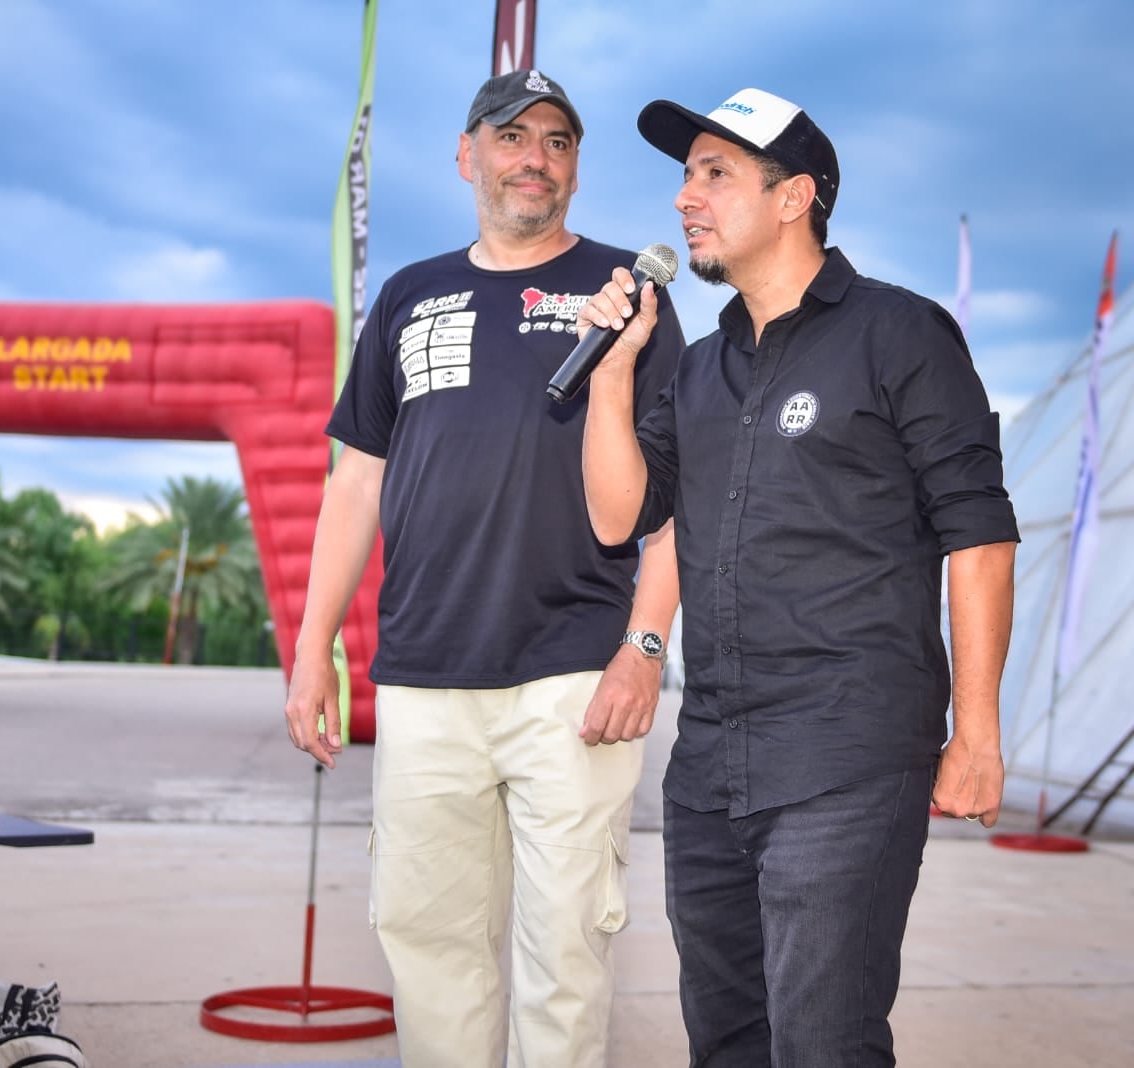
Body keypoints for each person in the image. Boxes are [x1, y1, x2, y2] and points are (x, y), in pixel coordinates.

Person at [579, 88, 1019, 1065]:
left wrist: (977, 732)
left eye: (714, 172)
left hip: (847, 761)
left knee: (824, 1043)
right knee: (726, 1041)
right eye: (684, 175)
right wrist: (612, 376)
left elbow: (978, 532)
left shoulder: (900, 335)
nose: (685, 197)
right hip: (709, 769)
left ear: (794, 198)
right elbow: (621, 516)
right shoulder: (697, 371)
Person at [284, 70, 686, 1067]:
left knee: (564, 960)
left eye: (555, 142)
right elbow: (354, 486)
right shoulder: (408, 296)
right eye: (511, 139)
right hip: (423, 679)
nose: (532, 159)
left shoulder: (625, 297)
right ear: (468, 156)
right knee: (430, 948)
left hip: (574, 679)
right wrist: (309, 647)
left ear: (576, 170)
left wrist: (644, 646)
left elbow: (680, 502)